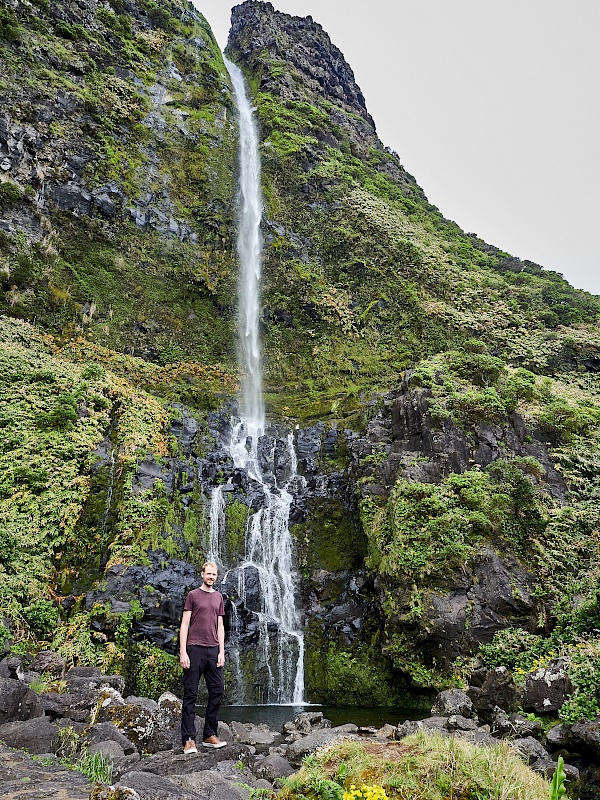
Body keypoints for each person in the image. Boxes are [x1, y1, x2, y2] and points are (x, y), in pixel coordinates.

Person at [179, 561, 226, 752]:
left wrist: (222, 651)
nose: (211, 577)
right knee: (190, 693)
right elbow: (184, 625)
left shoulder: (219, 597)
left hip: (213, 649)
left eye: (214, 574)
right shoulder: (193, 595)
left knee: (217, 690)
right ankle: (188, 738)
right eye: (209, 574)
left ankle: (209, 734)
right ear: (202, 575)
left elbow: (220, 626)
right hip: (194, 648)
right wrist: (183, 652)